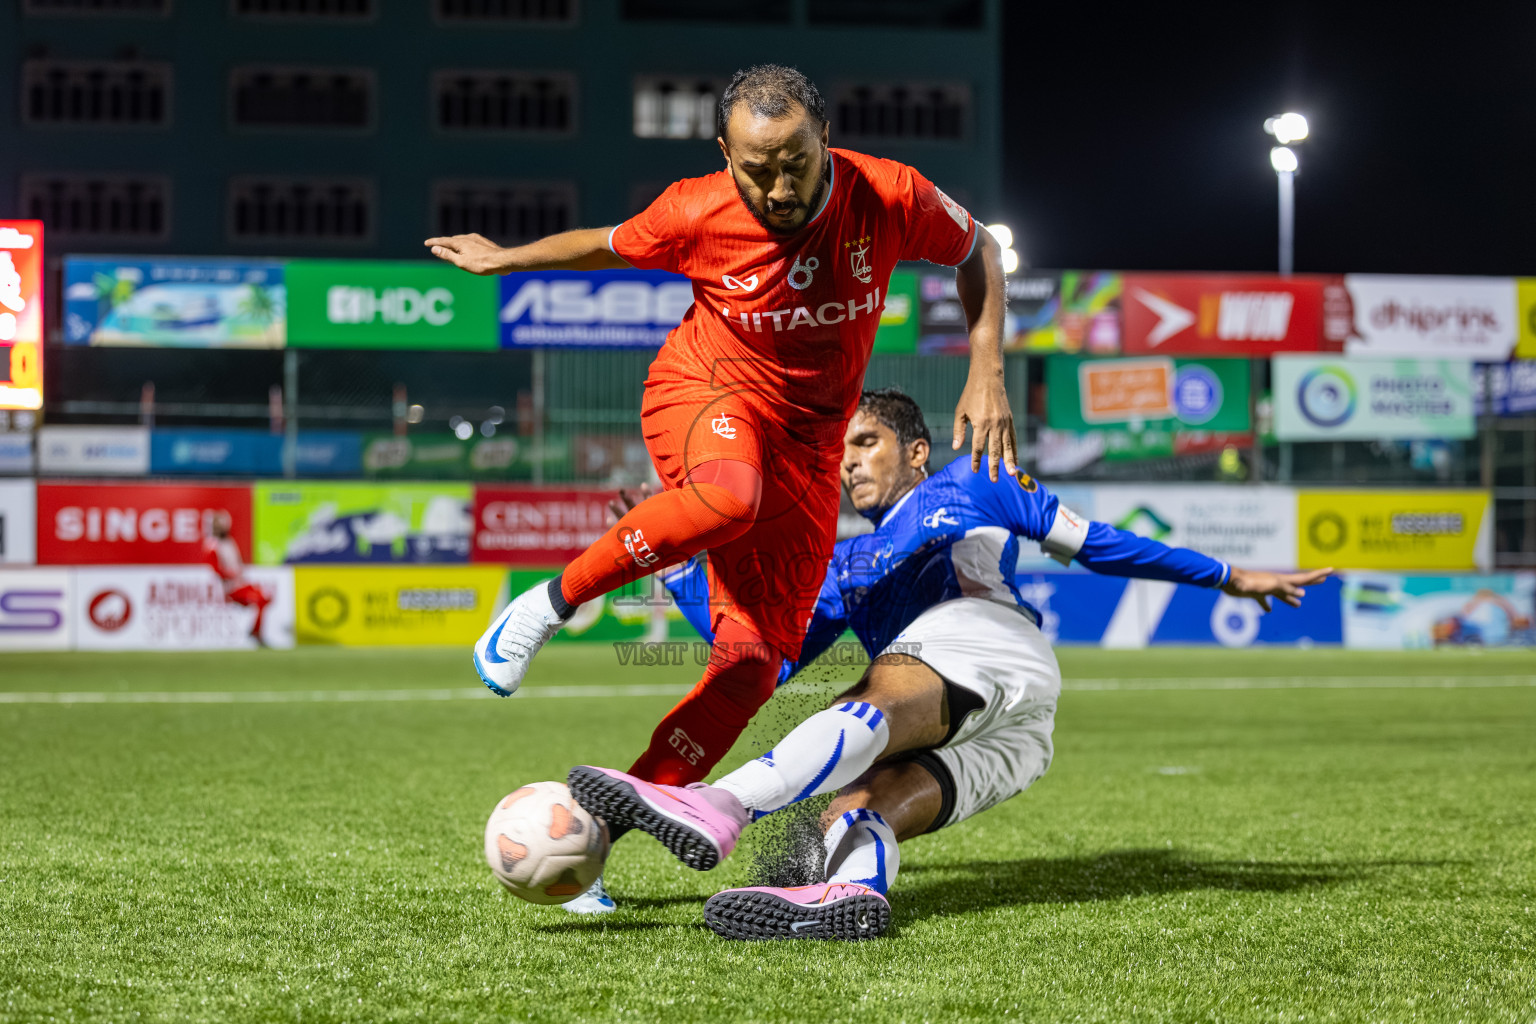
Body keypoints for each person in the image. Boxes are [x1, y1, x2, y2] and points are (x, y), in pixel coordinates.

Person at [428, 68, 1013, 800]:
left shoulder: (891, 194)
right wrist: (509, 258)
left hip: (807, 447)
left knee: (754, 663)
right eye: (755, 168)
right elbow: (609, 244)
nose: (777, 186)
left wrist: (986, 366)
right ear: (724, 154)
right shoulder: (694, 209)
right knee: (730, 496)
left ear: (825, 138)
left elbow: (979, 250)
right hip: (702, 392)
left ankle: (598, 825)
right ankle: (548, 602)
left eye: (794, 162)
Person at [567, 388, 1332, 938]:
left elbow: (1096, 542)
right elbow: (763, 647)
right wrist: (674, 568)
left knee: (869, 700)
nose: (848, 465)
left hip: (989, 640)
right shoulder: (842, 566)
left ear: (917, 451)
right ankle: (853, 893)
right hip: (1018, 735)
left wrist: (1229, 575)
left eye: (864, 444)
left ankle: (722, 805)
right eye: (840, 454)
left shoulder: (975, 480)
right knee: (854, 810)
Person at [202, 510, 270, 648]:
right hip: (231, 589)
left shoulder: (229, 542)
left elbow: (238, 564)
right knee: (259, 599)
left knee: (265, 597)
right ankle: (256, 633)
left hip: (241, 584)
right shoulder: (212, 545)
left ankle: (256, 631)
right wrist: (230, 574)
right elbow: (215, 569)